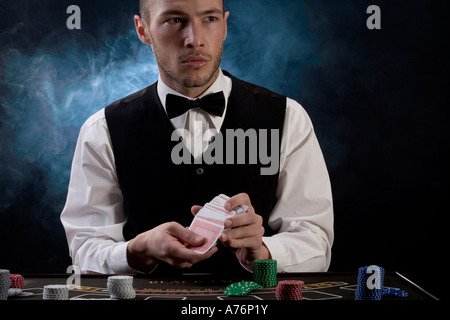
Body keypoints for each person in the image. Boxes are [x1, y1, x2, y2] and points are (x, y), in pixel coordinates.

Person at [60, 0, 334, 275]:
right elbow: (84, 251)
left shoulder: (288, 117)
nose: (195, 40)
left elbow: (316, 245)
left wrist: (263, 253)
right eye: (175, 20)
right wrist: (136, 251)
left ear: (225, 25)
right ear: (143, 30)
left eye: (210, 19)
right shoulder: (103, 129)